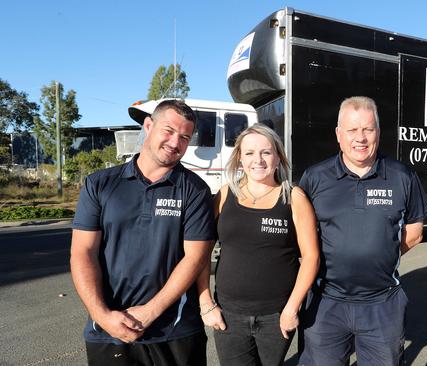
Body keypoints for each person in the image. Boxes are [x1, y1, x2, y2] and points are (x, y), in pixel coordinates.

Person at [70, 99, 215, 366]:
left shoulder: (195, 190)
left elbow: (195, 258)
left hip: (176, 330)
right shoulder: (100, 183)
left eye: (184, 137)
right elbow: (83, 252)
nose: (175, 142)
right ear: (149, 126)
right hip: (108, 330)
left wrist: (149, 312)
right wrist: (102, 316)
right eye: (168, 131)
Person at [298, 96, 427, 365]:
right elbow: (303, 236)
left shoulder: (402, 176)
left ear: (378, 133)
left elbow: (415, 231)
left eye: (368, 129)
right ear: (338, 134)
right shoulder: (314, 178)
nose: (360, 138)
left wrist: (380, 255)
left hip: (382, 304)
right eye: (352, 130)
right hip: (326, 303)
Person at [197, 123, 320, 366]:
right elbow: (201, 252)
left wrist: (291, 309)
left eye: (266, 152)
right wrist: (206, 303)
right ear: (240, 158)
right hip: (228, 314)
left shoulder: (294, 197)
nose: (258, 160)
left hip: (276, 315)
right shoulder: (224, 195)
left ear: (278, 156)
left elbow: (311, 257)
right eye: (250, 153)